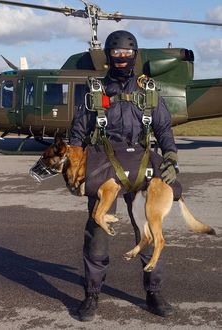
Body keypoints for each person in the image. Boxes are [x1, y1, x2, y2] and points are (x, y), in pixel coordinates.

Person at [69, 30, 180, 321]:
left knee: (148, 232)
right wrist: (75, 168)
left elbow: (164, 129)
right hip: (105, 164)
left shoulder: (147, 91)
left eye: (127, 54)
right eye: (116, 53)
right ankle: (91, 294)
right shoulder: (95, 91)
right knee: (96, 233)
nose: (122, 58)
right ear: (108, 56)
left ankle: (154, 292)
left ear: (135, 55)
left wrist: (170, 157)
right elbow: (78, 133)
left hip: (142, 163)